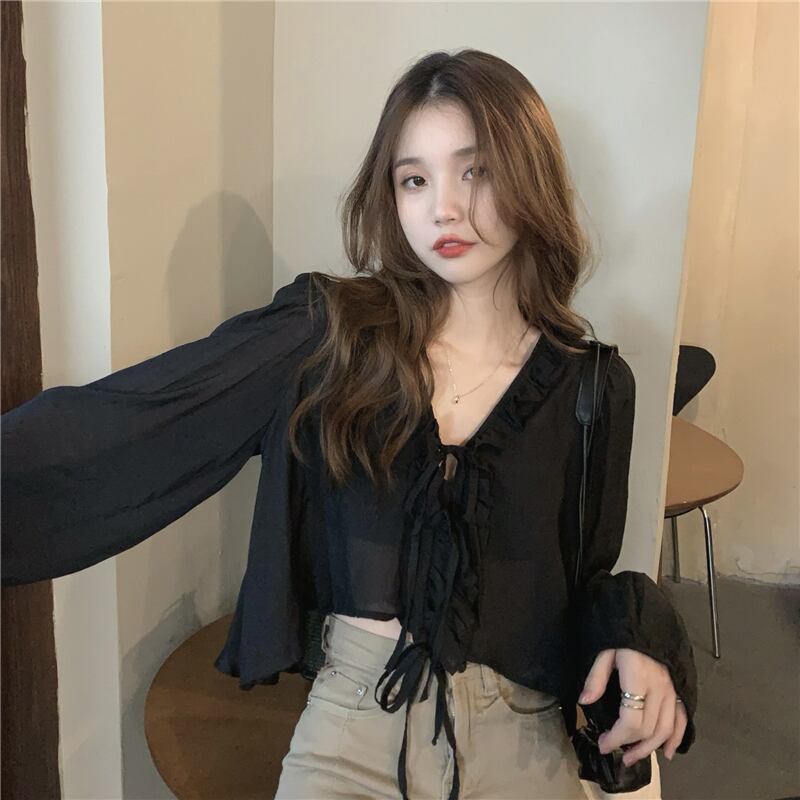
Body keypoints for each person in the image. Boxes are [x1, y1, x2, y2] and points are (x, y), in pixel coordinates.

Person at [2, 48, 697, 799]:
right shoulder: (329, 336)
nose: (444, 208)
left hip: (520, 738)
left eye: (475, 171)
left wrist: (638, 632)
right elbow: (135, 426)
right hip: (351, 729)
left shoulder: (592, 387)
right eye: (414, 179)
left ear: (529, 176)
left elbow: (581, 580)